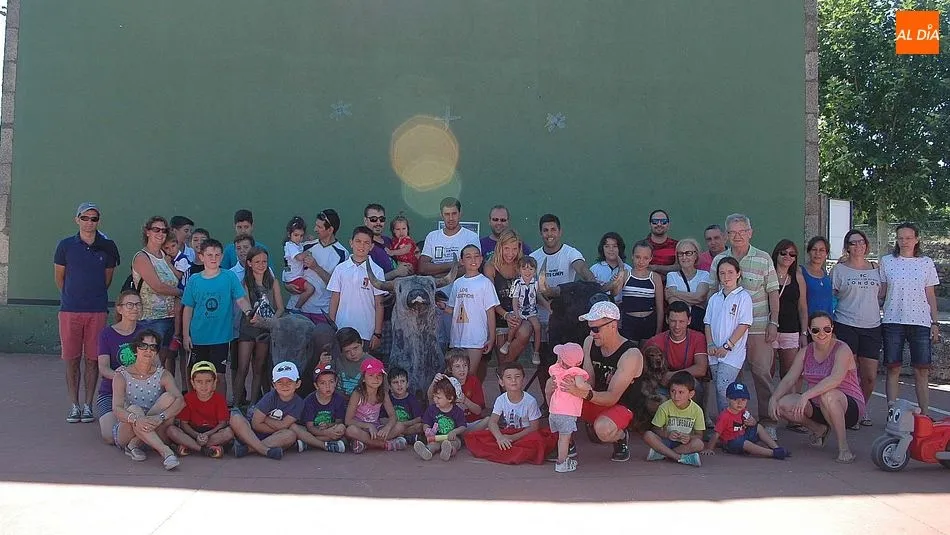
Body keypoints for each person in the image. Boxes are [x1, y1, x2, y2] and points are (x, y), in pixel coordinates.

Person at [708, 214, 780, 437]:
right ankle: (733, 424)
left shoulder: (763, 258)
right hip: (728, 333)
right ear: (727, 235)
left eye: (742, 231)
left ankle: (769, 422)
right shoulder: (719, 259)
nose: (737, 236)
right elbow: (713, 292)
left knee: (762, 375)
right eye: (732, 232)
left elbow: (773, 292)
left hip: (758, 328)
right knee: (732, 380)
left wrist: (774, 321)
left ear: (750, 232)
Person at [548, 301, 644, 462]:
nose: (592, 333)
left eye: (595, 329)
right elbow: (589, 380)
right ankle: (567, 441)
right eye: (590, 328)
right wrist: (569, 384)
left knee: (603, 429)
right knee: (554, 388)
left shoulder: (630, 354)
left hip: (621, 405)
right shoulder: (589, 342)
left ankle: (620, 436)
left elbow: (612, 397)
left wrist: (581, 393)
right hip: (593, 396)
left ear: (613, 326)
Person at [55, 202, 121, 424]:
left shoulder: (107, 247)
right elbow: (60, 278)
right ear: (77, 220)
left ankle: (87, 406)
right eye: (85, 218)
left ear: (98, 221)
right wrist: (72, 296)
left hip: (96, 311)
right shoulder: (65, 246)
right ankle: (74, 405)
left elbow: (107, 279)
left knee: (93, 359)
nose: (89, 222)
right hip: (70, 311)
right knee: (72, 359)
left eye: (93, 218)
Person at [769, 312, 865, 464]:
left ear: (832, 329)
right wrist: (774, 398)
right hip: (818, 404)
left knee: (828, 395)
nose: (822, 334)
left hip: (847, 406)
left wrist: (806, 395)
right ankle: (819, 429)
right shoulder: (806, 351)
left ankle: (844, 448)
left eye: (826, 329)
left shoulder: (842, 349)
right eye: (816, 330)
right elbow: (789, 379)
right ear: (809, 330)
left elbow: (835, 379)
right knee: (782, 405)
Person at [879, 222, 940, 415]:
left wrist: (935, 322)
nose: (904, 242)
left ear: (916, 239)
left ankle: (924, 414)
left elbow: (930, 294)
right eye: (900, 238)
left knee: (921, 370)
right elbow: (881, 292)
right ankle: (892, 413)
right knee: (893, 368)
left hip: (920, 322)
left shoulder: (926, 263)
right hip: (892, 320)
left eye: (908, 238)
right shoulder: (887, 261)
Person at [182, 238, 255, 395]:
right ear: (201, 257)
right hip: (198, 337)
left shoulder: (229, 277)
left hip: (221, 337)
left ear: (222, 257)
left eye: (217, 255)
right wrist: (185, 334)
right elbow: (187, 309)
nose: (213, 258)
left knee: (220, 376)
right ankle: (196, 409)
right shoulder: (194, 280)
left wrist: (249, 312)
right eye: (209, 255)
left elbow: (241, 299)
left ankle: (221, 410)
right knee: (196, 375)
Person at [110, 330, 185, 470]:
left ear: (156, 351)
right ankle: (166, 452)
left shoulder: (163, 374)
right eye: (143, 346)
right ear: (135, 349)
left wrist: (160, 418)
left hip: (156, 427)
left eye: (152, 347)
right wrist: (136, 419)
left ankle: (134, 444)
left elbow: (181, 401)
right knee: (135, 409)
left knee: (170, 397)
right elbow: (117, 408)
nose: (148, 350)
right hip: (127, 429)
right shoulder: (121, 374)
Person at [831, 229, 882, 427]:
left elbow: (881, 294)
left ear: (866, 245)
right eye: (853, 243)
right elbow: (832, 296)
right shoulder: (839, 270)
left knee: (869, 377)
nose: (858, 246)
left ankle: (862, 408)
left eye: (861, 242)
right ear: (847, 247)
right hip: (846, 325)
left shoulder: (876, 268)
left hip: (872, 327)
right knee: (848, 374)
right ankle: (848, 412)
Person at [464, 362, 556, 465]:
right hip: (507, 433)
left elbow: (534, 427)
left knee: (538, 441)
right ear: (501, 382)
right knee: (476, 437)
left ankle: (508, 454)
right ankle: (513, 453)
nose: (513, 380)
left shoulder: (530, 401)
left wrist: (513, 438)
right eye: (508, 377)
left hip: (524, 434)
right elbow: (493, 422)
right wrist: (500, 437)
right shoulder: (501, 400)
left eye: (517, 376)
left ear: (523, 380)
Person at [235, 247, 284, 409]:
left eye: (264, 261)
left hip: (266, 329)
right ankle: (236, 405)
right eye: (257, 262)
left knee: (259, 367)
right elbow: (247, 306)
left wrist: (272, 322)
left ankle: (254, 405)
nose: (261, 265)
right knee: (243, 367)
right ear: (249, 263)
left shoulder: (273, 281)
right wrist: (255, 319)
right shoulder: (246, 283)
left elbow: (280, 307)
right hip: (249, 327)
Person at [441, 244, 499, 377]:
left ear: (481, 258)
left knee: (470, 375)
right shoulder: (457, 283)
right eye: (468, 257)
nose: (473, 260)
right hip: (457, 338)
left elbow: (490, 312)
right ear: (462, 261)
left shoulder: (485, 283)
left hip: (476, 338)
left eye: (476, 256)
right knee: (456, 376)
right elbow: (451, 309)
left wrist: (492, 337)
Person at [96, 290, 145, 444]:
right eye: (129, 304)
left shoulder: (146, 332)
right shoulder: (106, 334)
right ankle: (134, 429)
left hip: (140, 391)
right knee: (109, 437)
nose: (134, 308)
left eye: (138, 304)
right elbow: (103, 368)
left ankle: (133, 434)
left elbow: (156, 364)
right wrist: (122, 377)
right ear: (119, 309)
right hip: (110, 393)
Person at [705, 257, 753, 413]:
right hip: (714, 352)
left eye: (730, 272)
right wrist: (711, 344)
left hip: (732, 353)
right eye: (722, 273)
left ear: (738, 274)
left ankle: (731, 424)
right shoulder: (714, 298)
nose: (726, 276)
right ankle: (725, 424)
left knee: (723, 387)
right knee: (721, 390)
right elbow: (708, 323)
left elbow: (744, 324)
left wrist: (728, 346)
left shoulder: (743, 297)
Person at [328, 226, 388, 349]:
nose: (362, 246)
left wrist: (377, 333)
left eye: (366, 243)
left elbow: (379, 304)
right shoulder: (340, 269)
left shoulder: (377, 271)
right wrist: (331, 326)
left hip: (366, 332)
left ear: (371, 246)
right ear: (351, 243)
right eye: (358, 241)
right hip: (341, 329)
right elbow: (334, 299)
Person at [286, 209, 348, 324]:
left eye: (319, 227)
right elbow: (290, 269)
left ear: (330, 230)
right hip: (299, 310)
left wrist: (316, 267)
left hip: (322, 312)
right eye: (316, 226)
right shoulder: (305, 246)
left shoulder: (342, 253)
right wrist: (287, 285)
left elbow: (339, 287)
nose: (315, 229)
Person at [703, 381, 789, 459]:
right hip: (732, 442)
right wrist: (709, 449)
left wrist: (753, 422)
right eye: (735, 399)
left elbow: (753, 422)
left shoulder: (743, 411)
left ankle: (776, 448)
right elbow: (716, 434)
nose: (739, 403)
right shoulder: (724, 416)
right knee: (743, 443)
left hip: (743, 435)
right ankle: (772, 453)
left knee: (758, 427)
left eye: (743, 400)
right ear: (728, 399)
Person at [165, 361, 232, 458]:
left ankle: (190, 446)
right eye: (199, 382)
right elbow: (184, 423)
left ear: (214, 382)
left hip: (212, 432)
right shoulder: (188, 398)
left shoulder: (219, 399)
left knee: (228, 433)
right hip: (192, 432)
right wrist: (197, 435)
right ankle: (205, 449)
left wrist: (207, 434)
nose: (204, 386)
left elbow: (222, 423)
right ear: (193, 383)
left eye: (208, 381)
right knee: (171, 430)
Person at [485, 229, 533, 363]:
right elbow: (489, 297)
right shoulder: (490, 266)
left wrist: (546, 305)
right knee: (503, 359)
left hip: (519, 315)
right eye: (506, 248)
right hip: (498, 316)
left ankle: (506, 368)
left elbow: (532, 290)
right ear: (500, 247)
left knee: (526, 330)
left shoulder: (522, 266)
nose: (510, 253)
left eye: (514, 249)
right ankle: (505, 369)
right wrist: (506, 315)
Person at [243, 361, 309, 456]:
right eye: (280, 382)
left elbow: (283, 425)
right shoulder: (269, 397)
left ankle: (250, 449)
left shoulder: (299, 403)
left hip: (276, 435)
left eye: (289, 381)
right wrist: (279, 428)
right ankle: (260, 447)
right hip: (254, 434)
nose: (285, 385)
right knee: (236, 418)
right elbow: (256, 424)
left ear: (298, 384)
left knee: (290, 435)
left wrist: (265, 418)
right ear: (274, 385)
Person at [642, 371, 705, 466]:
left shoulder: (697, 410)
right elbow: (655, 429)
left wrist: (689, 437)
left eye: (681, 392)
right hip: (666, 441)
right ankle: (679, 458)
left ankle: (663, 454)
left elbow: (699, 435)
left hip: (684, 445)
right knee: (648, 435)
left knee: (699, 444)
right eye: (673, 391)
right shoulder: (664, 407)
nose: (676, 396)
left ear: (691, 394)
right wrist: (668, 434)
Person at [642, 301, 709, 389]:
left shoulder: (698, 338)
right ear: (667, 320)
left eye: (681, 321)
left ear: (689, 321)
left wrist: (672, 375)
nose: (677, 326)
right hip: (662, 383)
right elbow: (642, 366)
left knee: (694, 385)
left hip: (686, 383)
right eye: (673, 321)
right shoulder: (655, 341)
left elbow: (701, 369)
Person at [343, 357, 405, 453]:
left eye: (379, 375)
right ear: (363, 378)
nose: (375, 379)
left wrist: (387, 427)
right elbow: (348, 421)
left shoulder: (383, 393)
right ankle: (384, 444)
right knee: (350, 430)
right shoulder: (357, 394)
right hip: (361, 428)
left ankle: (365, 443)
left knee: (400, 426)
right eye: (371, 375)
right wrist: (368, 426)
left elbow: (393, 415)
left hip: (377, 429)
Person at [547, 342, 589, 473]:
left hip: (554, 411)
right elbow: (582, 386)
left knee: (561, 438)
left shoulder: (555, 370)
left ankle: (562, 459)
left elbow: (555, 371)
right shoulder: (576, 373)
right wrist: (589, 387)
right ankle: (561, 463)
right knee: (564, 439)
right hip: (567, 413)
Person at [771, 239, 809, 381]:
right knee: (768, 371)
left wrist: (804, 333)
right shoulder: (769, 275)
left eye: (792, 254)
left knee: (788, 373)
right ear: (776, 254)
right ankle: (769, 402)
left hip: (791, 330)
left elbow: (803, 307)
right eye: (784, 253)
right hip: (770, 329)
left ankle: (785, 402)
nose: (788, 256)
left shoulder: (798, 277)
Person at [613, 240, 664, 345]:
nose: (641, 261)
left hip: (649, 322)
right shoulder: (626, 275)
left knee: (647, 355)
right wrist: (616, 281)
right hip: (629, 322)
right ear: (632, 256)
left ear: (650, 259)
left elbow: (660, 308)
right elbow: (614, 294)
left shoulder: (655, 277)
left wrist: (658, 331)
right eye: (638, 257)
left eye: (645, 258)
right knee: (631, 354)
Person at [419, 196, 480, 281]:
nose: (451, 218)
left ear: (460, 213)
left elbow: (470, 267)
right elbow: (423, 267)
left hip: (462, 289)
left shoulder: (471, 237)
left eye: (454, 213)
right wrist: (453, 265)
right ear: (441, 215)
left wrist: (440, 275)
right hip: (437, 291)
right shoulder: (432, 236)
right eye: (447, 214)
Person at [413, 377, 468, 461]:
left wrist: (454, 432)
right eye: (434, 396)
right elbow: (426, 423)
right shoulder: (432, 409)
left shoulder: (457, 411)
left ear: (450, 398)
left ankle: (448, 451)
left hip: (451, 437)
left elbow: (463, 426)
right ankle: (427, 451)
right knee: (433, 444)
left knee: (454, 443)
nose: (435, 399)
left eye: (438, 398)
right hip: (436, 437)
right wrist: (427, 430)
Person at [501, 256, 545, 361]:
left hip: (531, 311)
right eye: (524, 268)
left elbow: (539, 296)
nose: (527, 271)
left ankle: (536, 352)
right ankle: (508, 343)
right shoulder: (517, 283)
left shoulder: (535, 283)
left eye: (531, 269)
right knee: (515, 324)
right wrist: (516, 313)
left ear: (535, 271)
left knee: (537, 327)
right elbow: (515, 299)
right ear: (519, 270)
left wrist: (549, 307)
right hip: (519, 310)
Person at [427, 349, 486, 425]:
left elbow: (478, 411)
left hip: (471, 422)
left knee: (488, 420)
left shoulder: (473, 381)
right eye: (457, 366)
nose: (462, 369)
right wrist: (434, 383)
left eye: (465, 365)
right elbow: (431, 400)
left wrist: (465, 400)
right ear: (450, 369)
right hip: (451, 423)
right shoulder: (446, 382)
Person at [299, 363, 348, 453]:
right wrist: (326, 433)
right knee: (300, 431)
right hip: (313, 430)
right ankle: (326, 442)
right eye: (322, 383)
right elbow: (310, 427)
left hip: (329, 429)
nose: (328, 386)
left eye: (331, 382)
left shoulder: (339, 399)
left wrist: (329, 426)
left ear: (336, 382)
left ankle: (309, 443)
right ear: (316, 385)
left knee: (341, 428)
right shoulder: (309, 400)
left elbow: (339, 421)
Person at [664, 238, 709, 332]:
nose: (684, 257)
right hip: (678, 325)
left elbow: (700, 297)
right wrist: (695, 302)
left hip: (698, 323)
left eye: (688, 253)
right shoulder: (671, 275)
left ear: (696, 255)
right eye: (680, 254)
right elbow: (674, 303)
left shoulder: (704, 275)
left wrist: (675, 292)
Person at [282, 216, 316, 309]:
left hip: (293, 276)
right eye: (296, 235)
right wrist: (307, 252)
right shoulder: (290, 246)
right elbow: (299, 257)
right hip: (294, 278)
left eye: (301, 235)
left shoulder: (297, 244)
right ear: (289, 234)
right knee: (310, 289)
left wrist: (308, 239)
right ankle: (297, 308)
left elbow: (300, 245)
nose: (299, 238)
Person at [590, 232, 632, 304]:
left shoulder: (629, 269)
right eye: (607, 246)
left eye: (614, 246)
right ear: (602, 249)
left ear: (620, 248)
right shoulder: (594, 269)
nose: (611, 249)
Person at [386, 366, 424, 440]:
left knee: (421, 426)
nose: (399, 385)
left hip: (407, 426)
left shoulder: (412, 399)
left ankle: (399, 435)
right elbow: (382, 418)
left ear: (407, 384)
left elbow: (419, 418)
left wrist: (403, 425)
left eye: (402, 381)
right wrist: (394, 425)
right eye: (395, 382)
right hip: (392, 426)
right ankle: (407, 437)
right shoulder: (388, 399)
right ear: (390, 387)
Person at [333, 327, 369, 397]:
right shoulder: (336, 360)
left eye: (355, 348)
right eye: (347, 351)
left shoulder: (372, 362)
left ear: (362, 343)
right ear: (341, 352)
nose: (352, 353)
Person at [802, 236, 834, 316]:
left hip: (826, 323)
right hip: (808, 322)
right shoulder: (801, 272)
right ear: (809, 252)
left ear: (827, 253)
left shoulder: (825, 273)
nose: (818, 253)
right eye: (814, 249)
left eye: (822, 250)